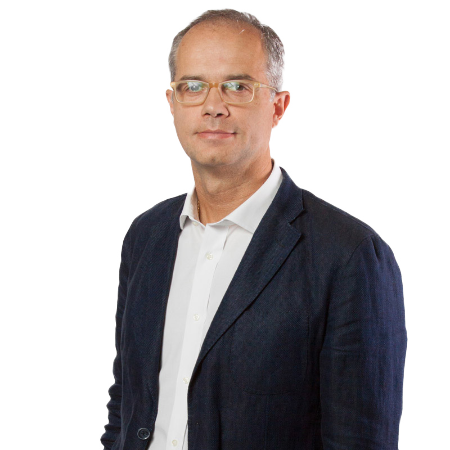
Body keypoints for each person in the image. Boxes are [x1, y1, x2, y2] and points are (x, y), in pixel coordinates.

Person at [101, 7, 407, 450]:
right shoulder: (146, 236)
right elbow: (127, 401)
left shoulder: (348, 254)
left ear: (278, 106)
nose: (213, 106)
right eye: (193, 86)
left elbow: (359, 440)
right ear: (172, 102)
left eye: (238, 86)